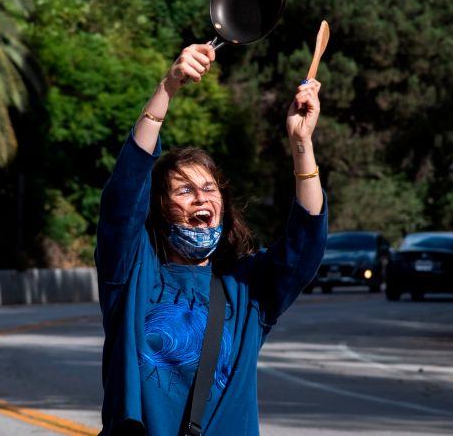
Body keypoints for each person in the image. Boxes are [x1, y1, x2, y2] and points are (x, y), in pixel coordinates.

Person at [95, 43, 327, 435]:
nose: (201, 197)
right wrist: (167, 88)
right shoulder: (132, 274)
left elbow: (305, 242)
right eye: (183, 191)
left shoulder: (246, 287)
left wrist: (301, 145)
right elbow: (122, 199)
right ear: (159, 207)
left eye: (209, 188)